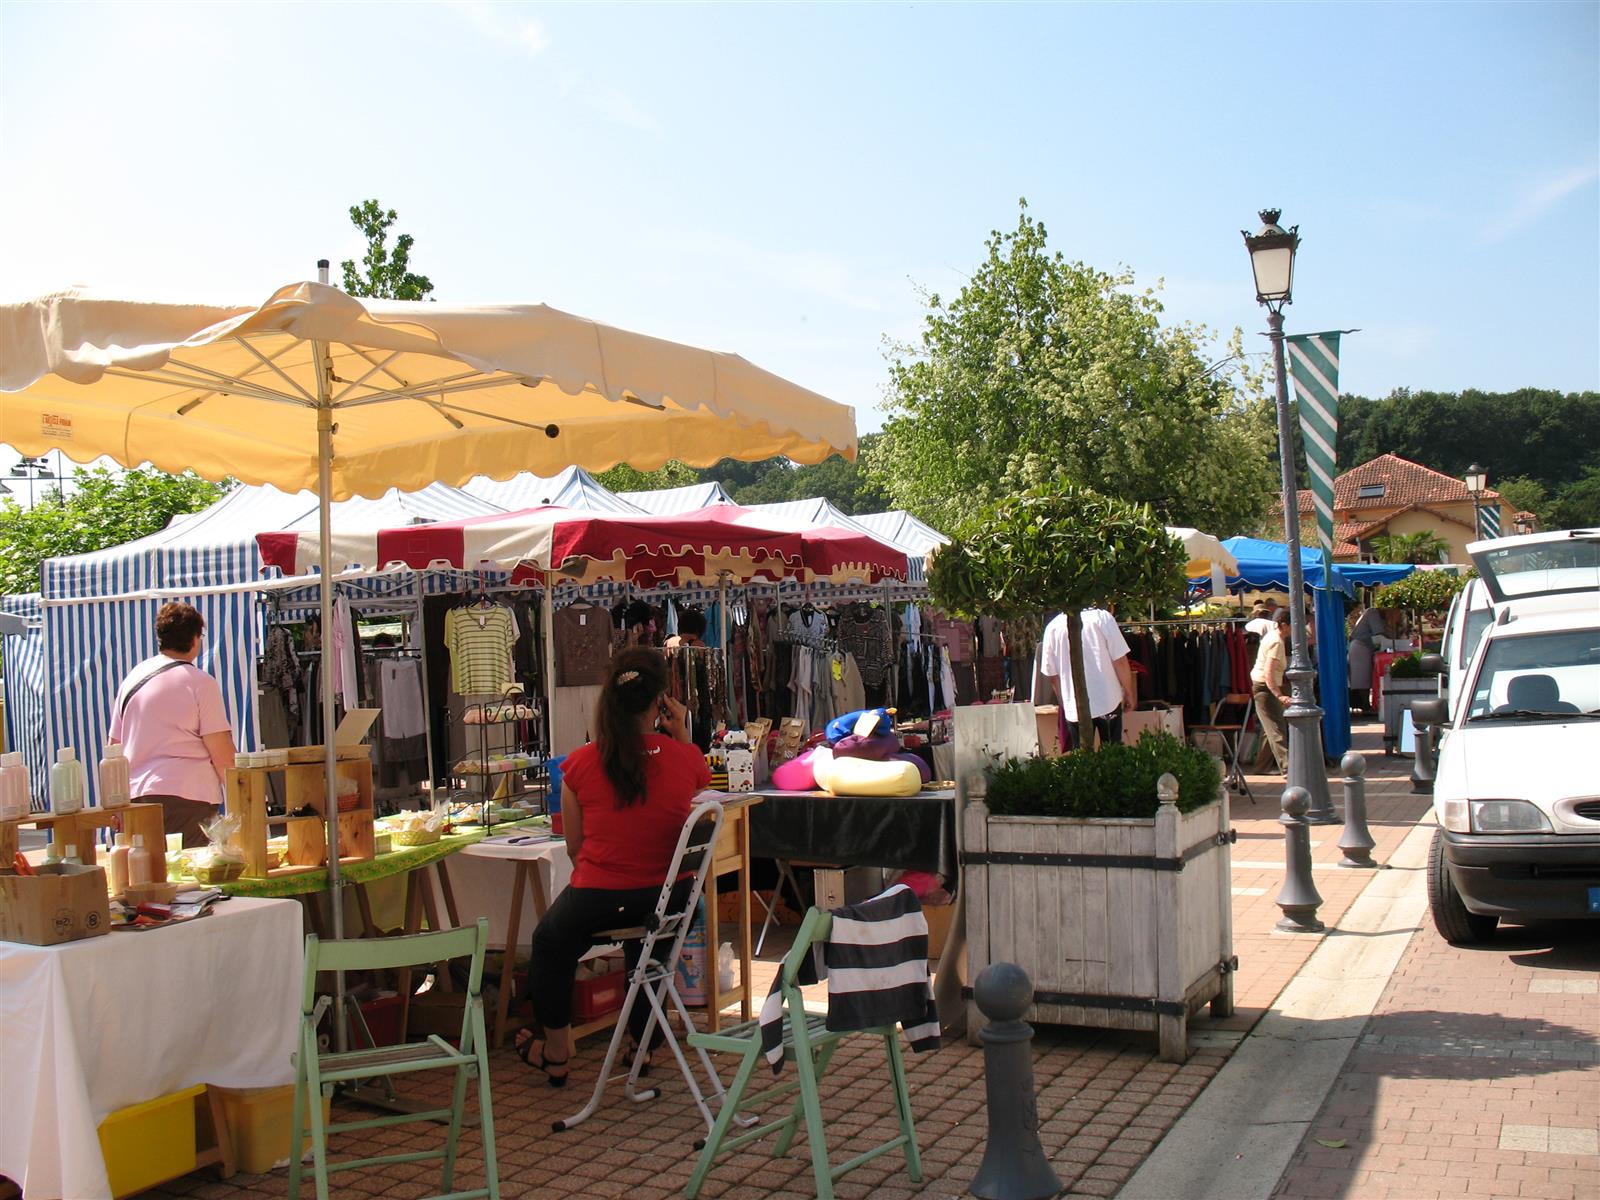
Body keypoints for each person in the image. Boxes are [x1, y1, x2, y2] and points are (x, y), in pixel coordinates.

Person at [516, 647, 708, 1086]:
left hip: (598, 898)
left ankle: (558, 1050)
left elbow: (575, 848)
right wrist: (680, 732)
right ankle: (641, 1043)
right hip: (667, 899)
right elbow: (694, 778)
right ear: (660, 701)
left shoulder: (579, 763)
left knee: (549, 942)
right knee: (650, 943)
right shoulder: (686, 758)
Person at [107, 601, 236, 847]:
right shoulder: (199, 683)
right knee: (187, 879)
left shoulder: (132, 678)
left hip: (135, 797)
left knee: (143, 874)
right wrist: (243, 796)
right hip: (187, 796)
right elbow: (223, 755)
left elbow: (113, 748)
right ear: (196, 638)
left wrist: (114, 804)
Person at [1039, 607, 1135, 750]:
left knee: (1082, 758)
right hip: (1107, 699)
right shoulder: (1102, 618)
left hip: (1074, 705)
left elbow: (1053, 676)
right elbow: (1120, 660)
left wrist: (1065, 702)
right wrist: (1129, 692)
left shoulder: (1053, 627)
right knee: (1113, 755)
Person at [1250, 608, 1293, 775]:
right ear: (1284, 625)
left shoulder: (1272, 638)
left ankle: (1261, 767)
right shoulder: (1276, 641)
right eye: (1292, 625)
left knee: (1269, 729)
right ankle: (1288, 767)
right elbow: (1269, 671)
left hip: (1262, 685)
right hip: (1265, 687)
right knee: (1276, 728)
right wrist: (1279, 694)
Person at [1347, 605, 1397, 714]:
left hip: (1366, 646)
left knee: (1367, 677)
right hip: (1360, 646)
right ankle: (1365, 706)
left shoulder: (1377, 615)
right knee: (1362, 677)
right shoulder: (1372, 613)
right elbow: (1379, 632)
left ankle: (1367, 705)